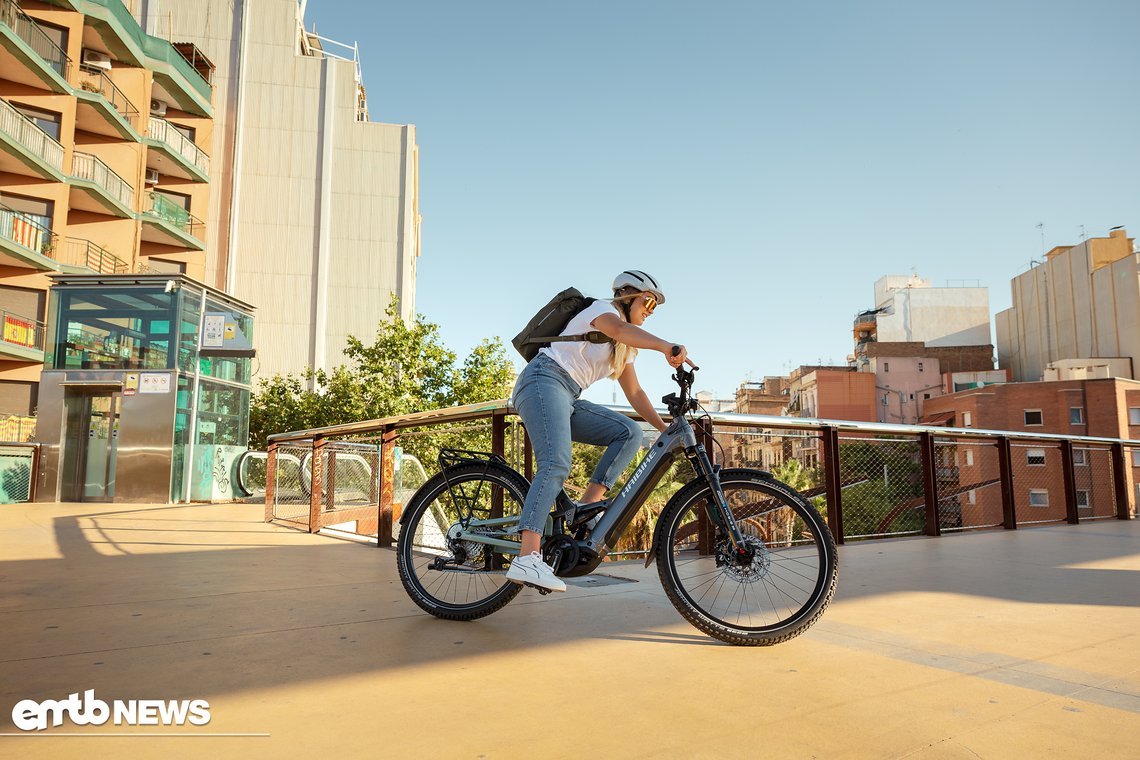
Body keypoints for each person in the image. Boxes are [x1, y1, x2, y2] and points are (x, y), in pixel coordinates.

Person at [506, 270, 690, 592]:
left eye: (654, 307)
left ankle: (585, 511)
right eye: (648, 302)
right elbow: (620, 328)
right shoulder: (601, 311)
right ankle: (527, 556)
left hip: (568, 394)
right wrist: (665, 347)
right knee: (555, 463)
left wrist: (664, 430)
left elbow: (635, 394)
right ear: (627, 295)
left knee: (630, 432)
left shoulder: (623, 348)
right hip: (543, 380)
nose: (650, 310)